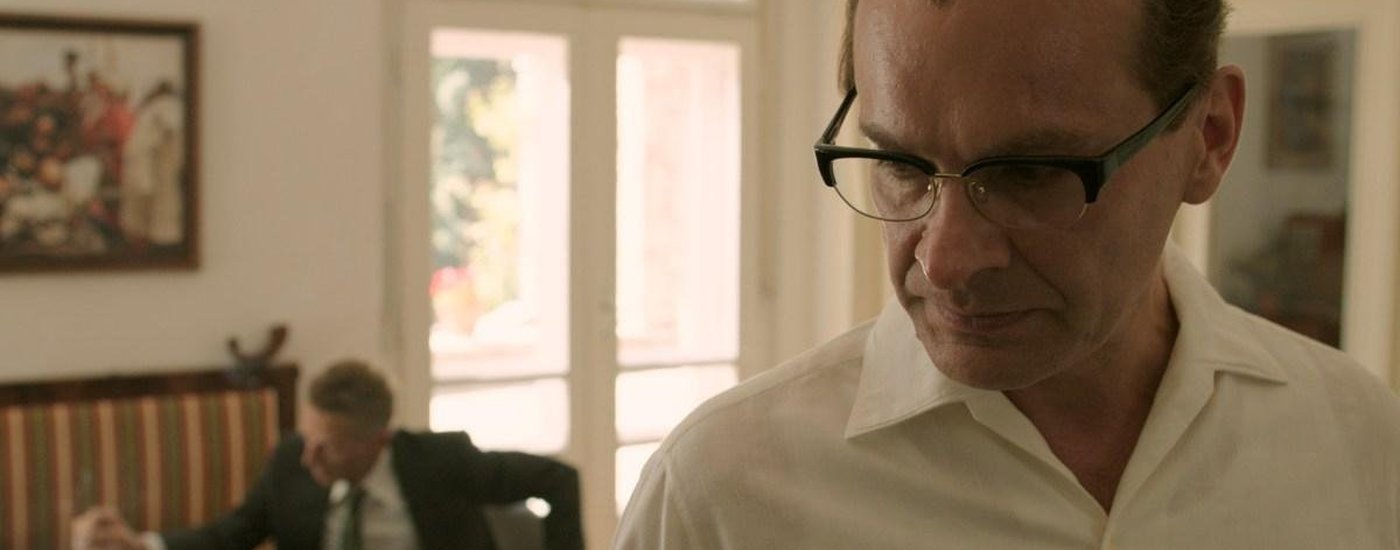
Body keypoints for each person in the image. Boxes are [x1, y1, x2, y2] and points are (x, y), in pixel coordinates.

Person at [615, 0, 1400, 548]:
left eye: (1029, 173)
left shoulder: (1360, 440)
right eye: (900, 165)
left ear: (1211, 138)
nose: (944, 260)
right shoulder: (720, 499)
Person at [74, 360, 584, 550]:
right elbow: (232, 534)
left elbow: (560, 479)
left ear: (377, 440)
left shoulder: (440, 462)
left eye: (328, 445)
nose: (308, 456)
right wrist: (144, 546)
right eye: (307, 436)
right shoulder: (290, 463)